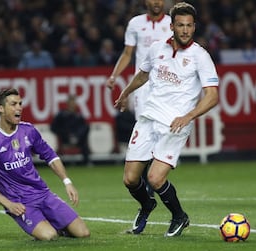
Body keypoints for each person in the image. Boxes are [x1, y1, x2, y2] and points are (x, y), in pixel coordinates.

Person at [114, 2, 219, 237]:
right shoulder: (156, 49)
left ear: (195, 27)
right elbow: (143, 74)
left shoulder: (200, 56)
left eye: (189, 26)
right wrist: (125, 93)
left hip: (175, 124)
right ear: (171, 26)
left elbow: (212, 96)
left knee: (154, 177)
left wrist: (188, 116)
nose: (185, 30)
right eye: (180, 25)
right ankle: (147, 205)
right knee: (131, 180)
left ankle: (179, 216)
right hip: (148, 118)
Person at [0, 88, 90, 241]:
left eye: (20, 104)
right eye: (13, 104)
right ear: (1, 108)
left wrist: (67, 181)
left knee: (83, 233)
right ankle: (48, 226)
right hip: (19, 202)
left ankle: (53, 223)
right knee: (49, 236)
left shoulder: (28, 130)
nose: (19, 108)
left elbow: (50, 155)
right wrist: (8, 204)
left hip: (43, 193)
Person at [106, 0, 173, 201]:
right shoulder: (135, 24)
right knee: (146, 132)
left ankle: (154, 177)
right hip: (143, 88)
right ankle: (146, 181)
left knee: (162, 132)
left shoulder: (172, 23)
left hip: (166, 87)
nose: (156, 2)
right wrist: (114, 75)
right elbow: (128, 53)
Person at [51, 95, 90, 165]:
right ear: (67, 103)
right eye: (71, 102)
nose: (72, 104)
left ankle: (86, 162)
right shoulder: (61, 115)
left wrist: (77, 136)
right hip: (66, 138)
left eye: (73, 102)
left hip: (78, 138)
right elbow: (53, 127)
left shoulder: (78, 116)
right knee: (65, 132)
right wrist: (64, 134)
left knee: (86, 128)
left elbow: (84, 127)